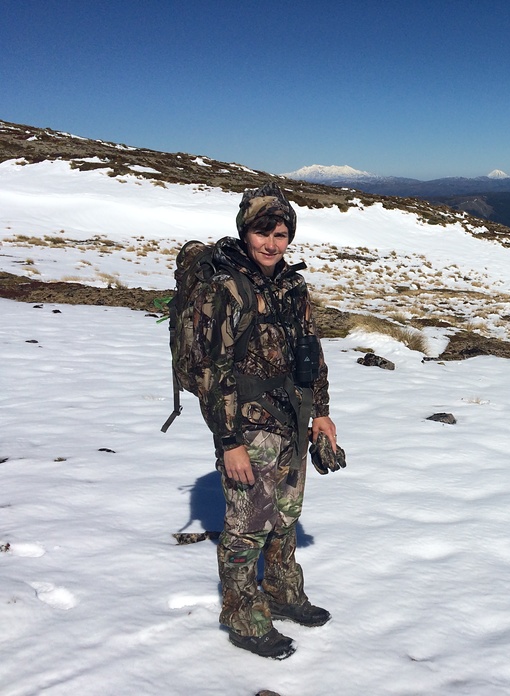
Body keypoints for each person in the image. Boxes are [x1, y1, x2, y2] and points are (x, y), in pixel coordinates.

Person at [190, 183, 337, 659]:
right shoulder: (225, 287)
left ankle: (282, 592)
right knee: (247, 526)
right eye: (262, 232)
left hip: (292, 421)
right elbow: (212, 371)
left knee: (285, 518)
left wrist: (322, 414)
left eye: (281, 233)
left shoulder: (292, 286)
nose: (272, 243)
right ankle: (241, 613)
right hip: (247, 427)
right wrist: (228, 440)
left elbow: (311, 353)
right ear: (245, 231)